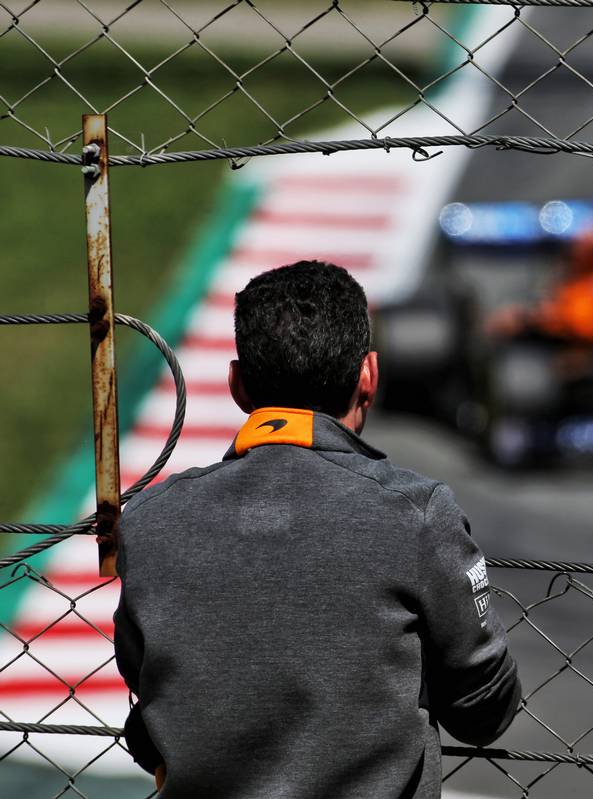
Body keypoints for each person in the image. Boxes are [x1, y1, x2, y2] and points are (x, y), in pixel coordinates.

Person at [114, 260, 521, 798]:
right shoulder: (416, 513)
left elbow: (147, 716)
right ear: (369, 374)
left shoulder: (149, 520)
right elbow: (483, 712)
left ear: (237, 386)